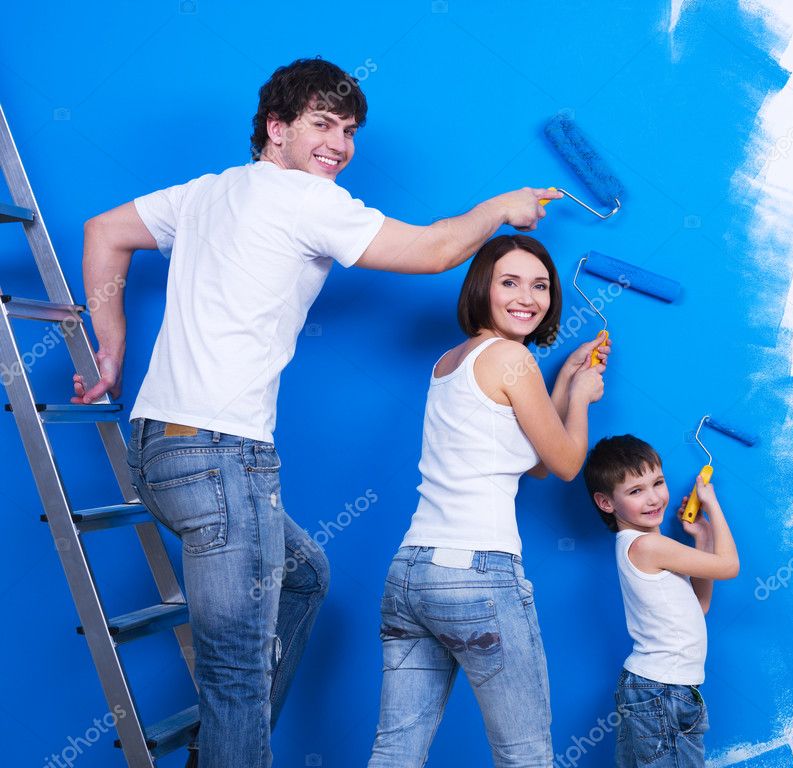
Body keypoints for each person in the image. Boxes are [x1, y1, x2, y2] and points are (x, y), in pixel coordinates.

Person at [72, 57, 561, 768]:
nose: (338, 144)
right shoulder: (306, 198)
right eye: (321, 125)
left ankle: (221, 754)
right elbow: (431, 252)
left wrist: (106, 347)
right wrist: (501, 209)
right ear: (276, 129)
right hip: (222, 458)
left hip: (156, 453)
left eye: (349, 130)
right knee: (235, 676)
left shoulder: (209, 193)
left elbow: (102, 231)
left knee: (304, 576)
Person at [368, 234, 608, 767]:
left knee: (396, 749)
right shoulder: (512, 358)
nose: (528, 297)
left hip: (411, 572)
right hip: (477, 574)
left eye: (540, 285)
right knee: (525, 755)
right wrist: (585, 400)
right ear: (483, 288)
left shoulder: (451, 361)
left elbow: (537, 460)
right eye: (510, 282)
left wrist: (567, 380)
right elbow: (567, 464)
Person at [582, 435, 740, 768]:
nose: (654, 498)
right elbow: (730, 566)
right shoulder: (647, 547)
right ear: (606, 502)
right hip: (662, 691)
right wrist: (712, 503)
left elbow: (700, 606)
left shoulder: (649, 547)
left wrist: (702, 537)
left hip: (657, 688)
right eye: (636, 491)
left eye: (658, 482)